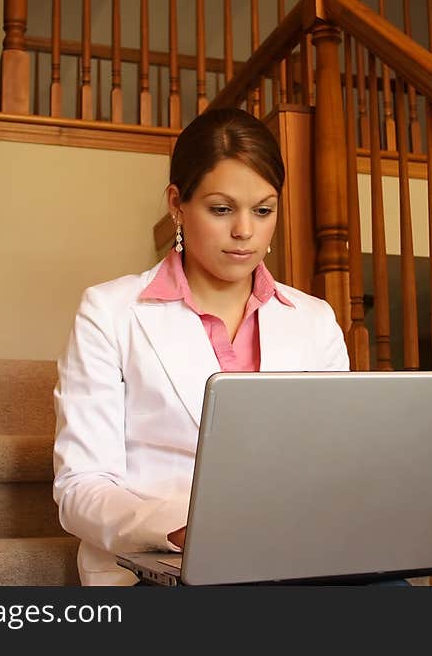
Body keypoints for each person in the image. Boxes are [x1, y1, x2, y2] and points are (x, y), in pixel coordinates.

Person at [52, 107, 350, 586]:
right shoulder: (108, 312)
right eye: (221, 209)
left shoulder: (315, 321)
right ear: (177, 203)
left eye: (263, 210)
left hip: (296, 557)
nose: (245, 232)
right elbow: (80, 489)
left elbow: (338, 466)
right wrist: (182, 530)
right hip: (165, 565)